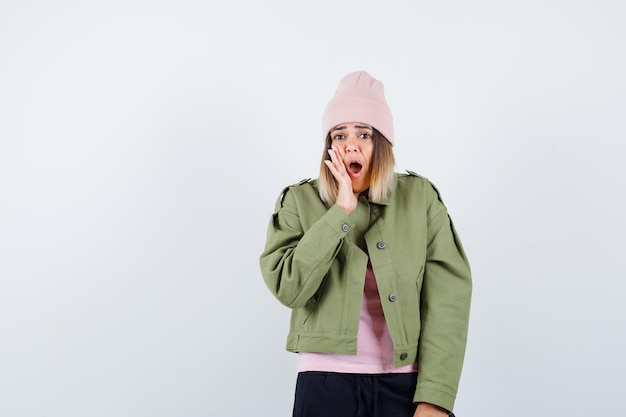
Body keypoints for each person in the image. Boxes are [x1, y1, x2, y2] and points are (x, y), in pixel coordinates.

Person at [259, 70, 472, 417]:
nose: (350, 144)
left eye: (364, 134)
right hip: (325, 384)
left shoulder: (420, 200)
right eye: (339, 134)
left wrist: (435, 397)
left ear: (382, 145)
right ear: (329, 145)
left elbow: (449, 301)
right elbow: (289, 289)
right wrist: (340, 211)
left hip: (405, 387)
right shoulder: (299, 201)